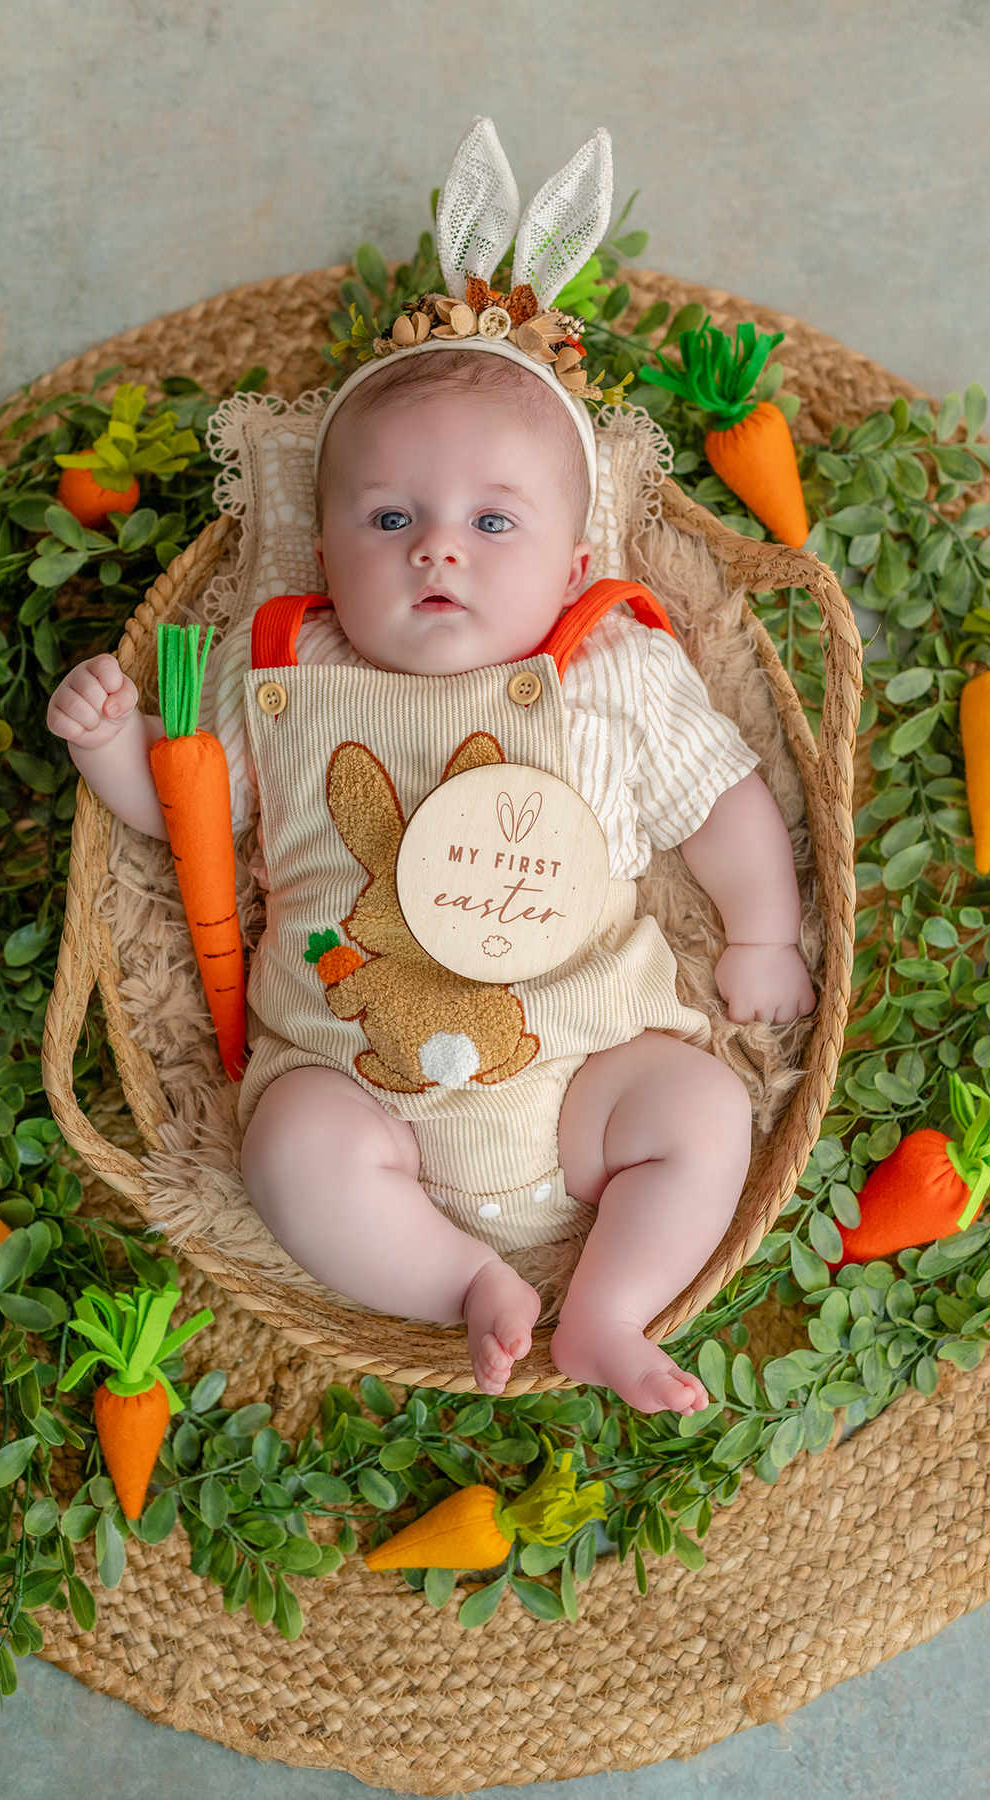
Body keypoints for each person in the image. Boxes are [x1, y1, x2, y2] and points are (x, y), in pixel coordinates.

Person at [48, 341, 815, 1414]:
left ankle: (608, 1306)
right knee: (290, 1153)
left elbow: (720, 797)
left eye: (492, 522)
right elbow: (196, 817)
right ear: (323, 551)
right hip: (358, 1083)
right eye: (391, 519)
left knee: (702, 1110)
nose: (438, 552)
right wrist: (111, 749)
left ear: (575, 569)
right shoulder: (279, 666)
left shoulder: (608, 664)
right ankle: (459, 1278)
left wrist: (762, 935)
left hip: (587, 1067)